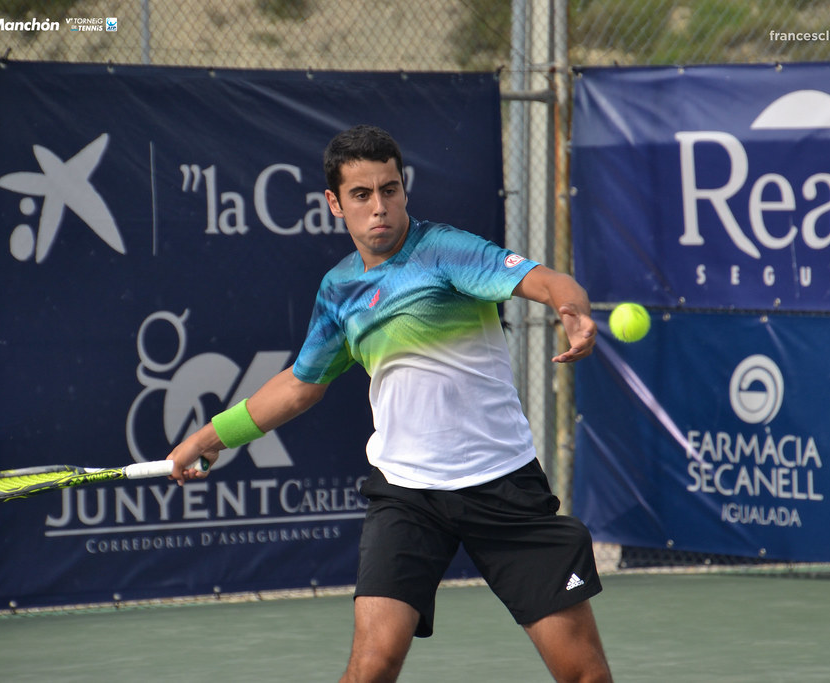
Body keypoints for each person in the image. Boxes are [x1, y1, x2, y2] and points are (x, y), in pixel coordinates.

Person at [167, 124, 612, 682]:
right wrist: (209, 438)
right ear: (335, 203)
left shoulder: (446, 250)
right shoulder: (339, 290)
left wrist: (572, 309)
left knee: (584, 674)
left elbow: (547, 280)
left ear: (403, 189)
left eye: (389, 189)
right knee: (372, 666)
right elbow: (301, 384)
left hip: (502, 485)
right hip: (406, 494)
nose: (379, 206)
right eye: (361, 194)